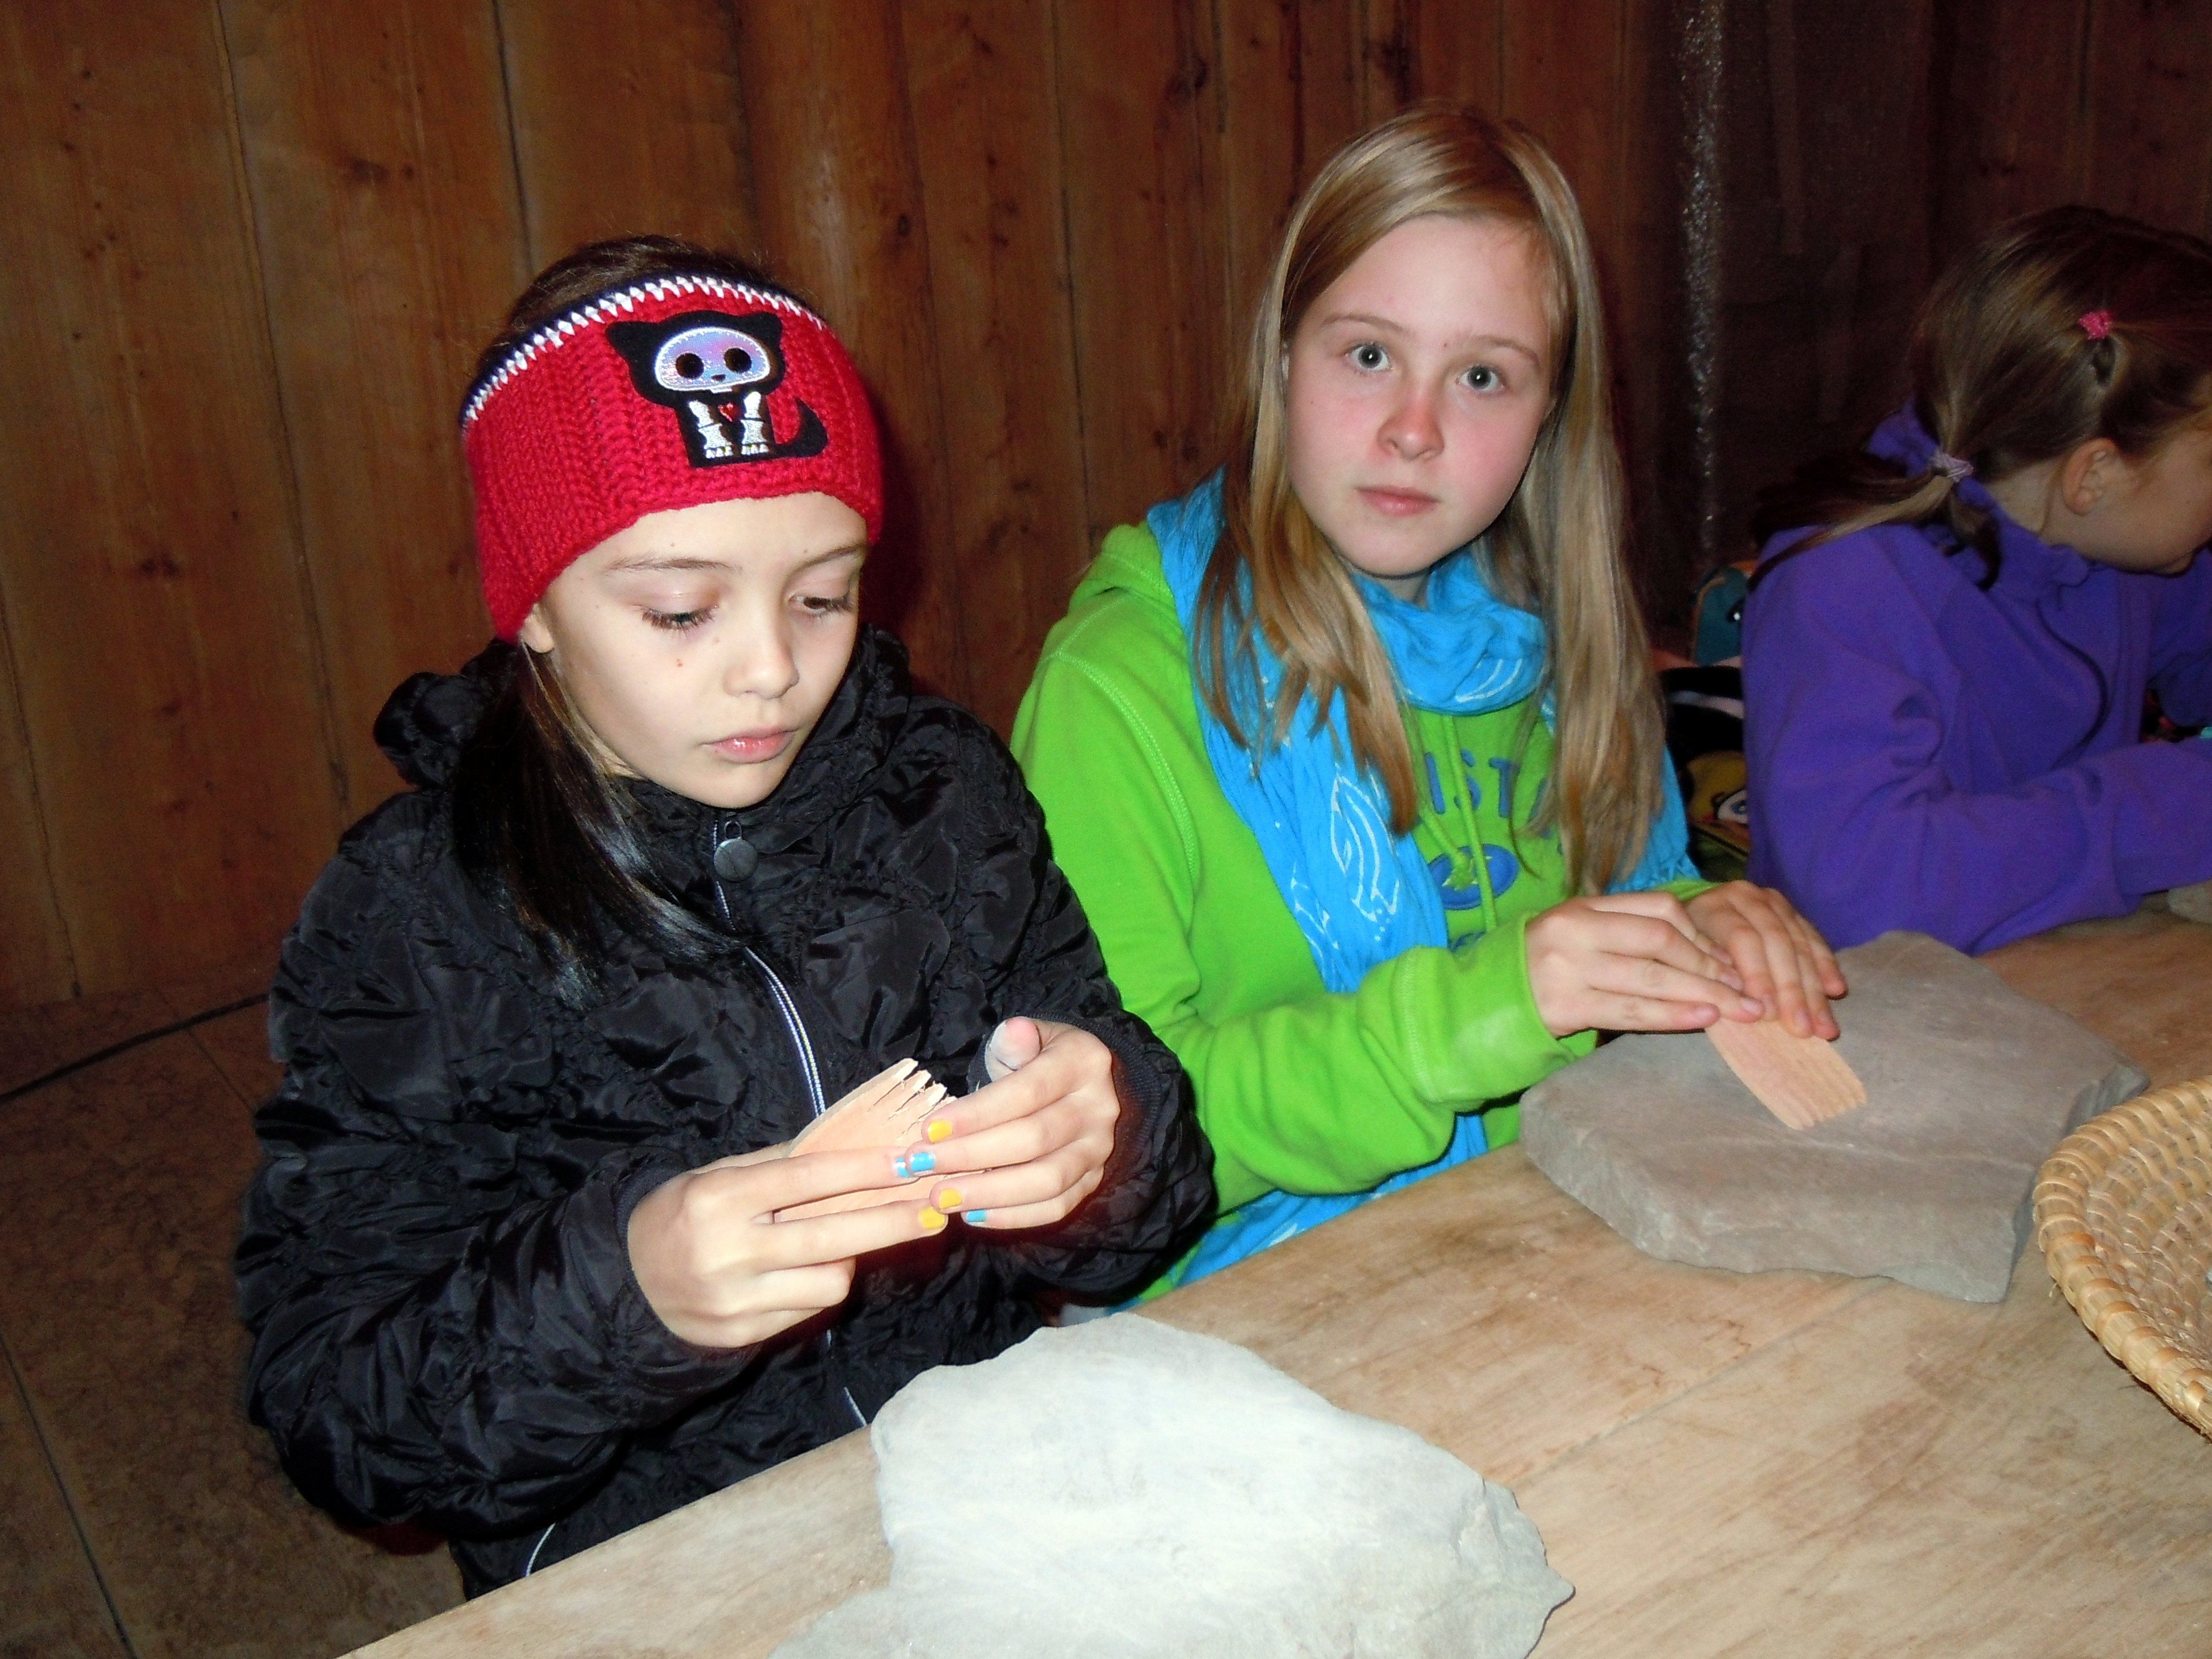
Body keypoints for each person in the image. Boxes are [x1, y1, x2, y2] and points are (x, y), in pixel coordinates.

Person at [234, 238, 1214, 1593]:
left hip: (976, 1487)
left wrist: (1102, 1137)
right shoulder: (413, 917)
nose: (771, 668)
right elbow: (334, 1411)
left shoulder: (941, 793)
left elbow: (1149, 1193)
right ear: (537, 606)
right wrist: (623, 1297)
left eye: (824, 594)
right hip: (649, 1570)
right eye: (682, 609)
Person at [1011, 106, 1840, 1289]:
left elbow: (1635, 902)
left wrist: (1709, 923)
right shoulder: (1113, 689)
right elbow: (1113, 1152)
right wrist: (1485, 1010)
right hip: (1243, 1303)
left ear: (1549, 418)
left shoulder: (1567, 649)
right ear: (1281, 357)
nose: (1414, 431)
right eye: (1367, 356)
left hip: (1545, 1234)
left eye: (1484, 377)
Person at [1743, 206, 2212, 953]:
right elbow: (1865, 893)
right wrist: (2170, 805)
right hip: (1882, 1001)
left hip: (2068, 966)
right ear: (2094, 473)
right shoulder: (1841, 586)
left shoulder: (2127, 545)